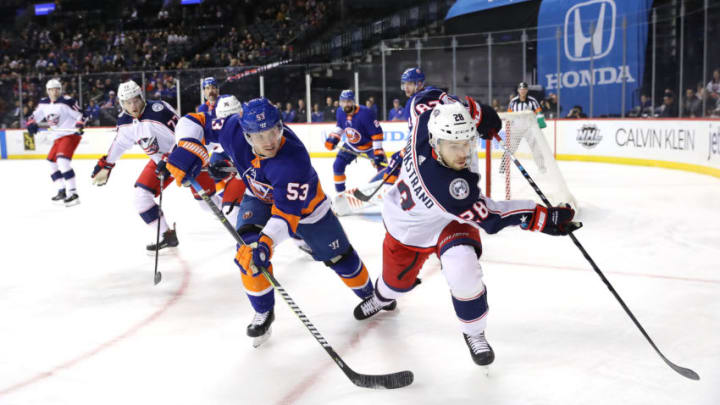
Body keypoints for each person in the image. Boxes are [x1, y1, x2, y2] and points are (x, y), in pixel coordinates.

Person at [353, 101, 576, 366]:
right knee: (394, 285)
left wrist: (478, 112)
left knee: (464, 271)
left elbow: (433, 97)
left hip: (449, 222)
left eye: (467, 142)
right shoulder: (449, 187)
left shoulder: (426, 120)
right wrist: (541, 216)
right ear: (436, 143)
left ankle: (474, 333)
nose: (463, 153)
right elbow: (493, 218)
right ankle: (381, 298)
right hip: (409, 231)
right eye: (454, 146)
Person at [165, 98, 385, 347]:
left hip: (307, 208)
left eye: (273, 132)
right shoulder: (231, 128)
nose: (269, 141)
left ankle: (372, 295)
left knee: (338, 257)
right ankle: (263, 311)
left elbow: (286, 215)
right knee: (247, 251)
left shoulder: (293, 161)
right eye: (260, 137)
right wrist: (187, 145)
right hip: (257, 197)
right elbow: (191, 121)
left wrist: (266, 243)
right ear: (246, 135)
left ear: (281, 126)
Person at [90, 80, 216, 253]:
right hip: (160, 163)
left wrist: (168, 159)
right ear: (121, 103)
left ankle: (238, 214)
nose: (132, 106)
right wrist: (107, 164)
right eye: (127, 102)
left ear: (141, 97)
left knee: (208, 204)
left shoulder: (159, 111)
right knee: (141, 198)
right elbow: (120, 143)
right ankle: (167, 235)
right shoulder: (125, 121)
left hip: (187, 158)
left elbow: (184, 137)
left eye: (135, 100)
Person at [26, 78, 86, 206]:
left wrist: (80, 124)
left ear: (60, 89)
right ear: (47, 91)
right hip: (57, 137)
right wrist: (31, 123)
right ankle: (61, 190)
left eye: (57, 89)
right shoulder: (44, 103)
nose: (54, 92)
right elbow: (33, 116)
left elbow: (82, 114)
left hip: (69, 135)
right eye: (52, 89)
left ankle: (73, 193)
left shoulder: (67, 101)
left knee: (62, 162)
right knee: (51, 163)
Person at [324, 89, 386, 192]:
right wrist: (333, 138)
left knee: (383, 168)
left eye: (348, 101)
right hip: (351, 145)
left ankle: (386, 191)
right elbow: (340, 126)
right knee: (337, 165)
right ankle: (341, 194)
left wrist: (378, 152)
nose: (346, 104)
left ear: (353, 102)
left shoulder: (365, 113)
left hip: (369, 146)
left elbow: (377, 133)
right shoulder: (340, 111)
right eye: (343, 102)